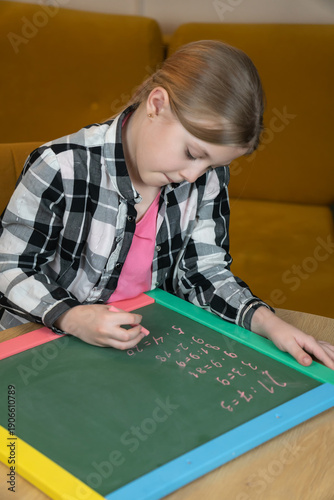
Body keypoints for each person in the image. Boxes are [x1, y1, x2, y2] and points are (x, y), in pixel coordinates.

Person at [0, 40, 333, 369]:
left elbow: (204, 272)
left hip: (137, 351)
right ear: (157, 105)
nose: (192, 176)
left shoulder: (204, 178)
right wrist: (71, 317)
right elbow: (9, 268)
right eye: (192, 153)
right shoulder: (60, 168)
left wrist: (269, 324)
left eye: (211, 166)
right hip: (41, 351)